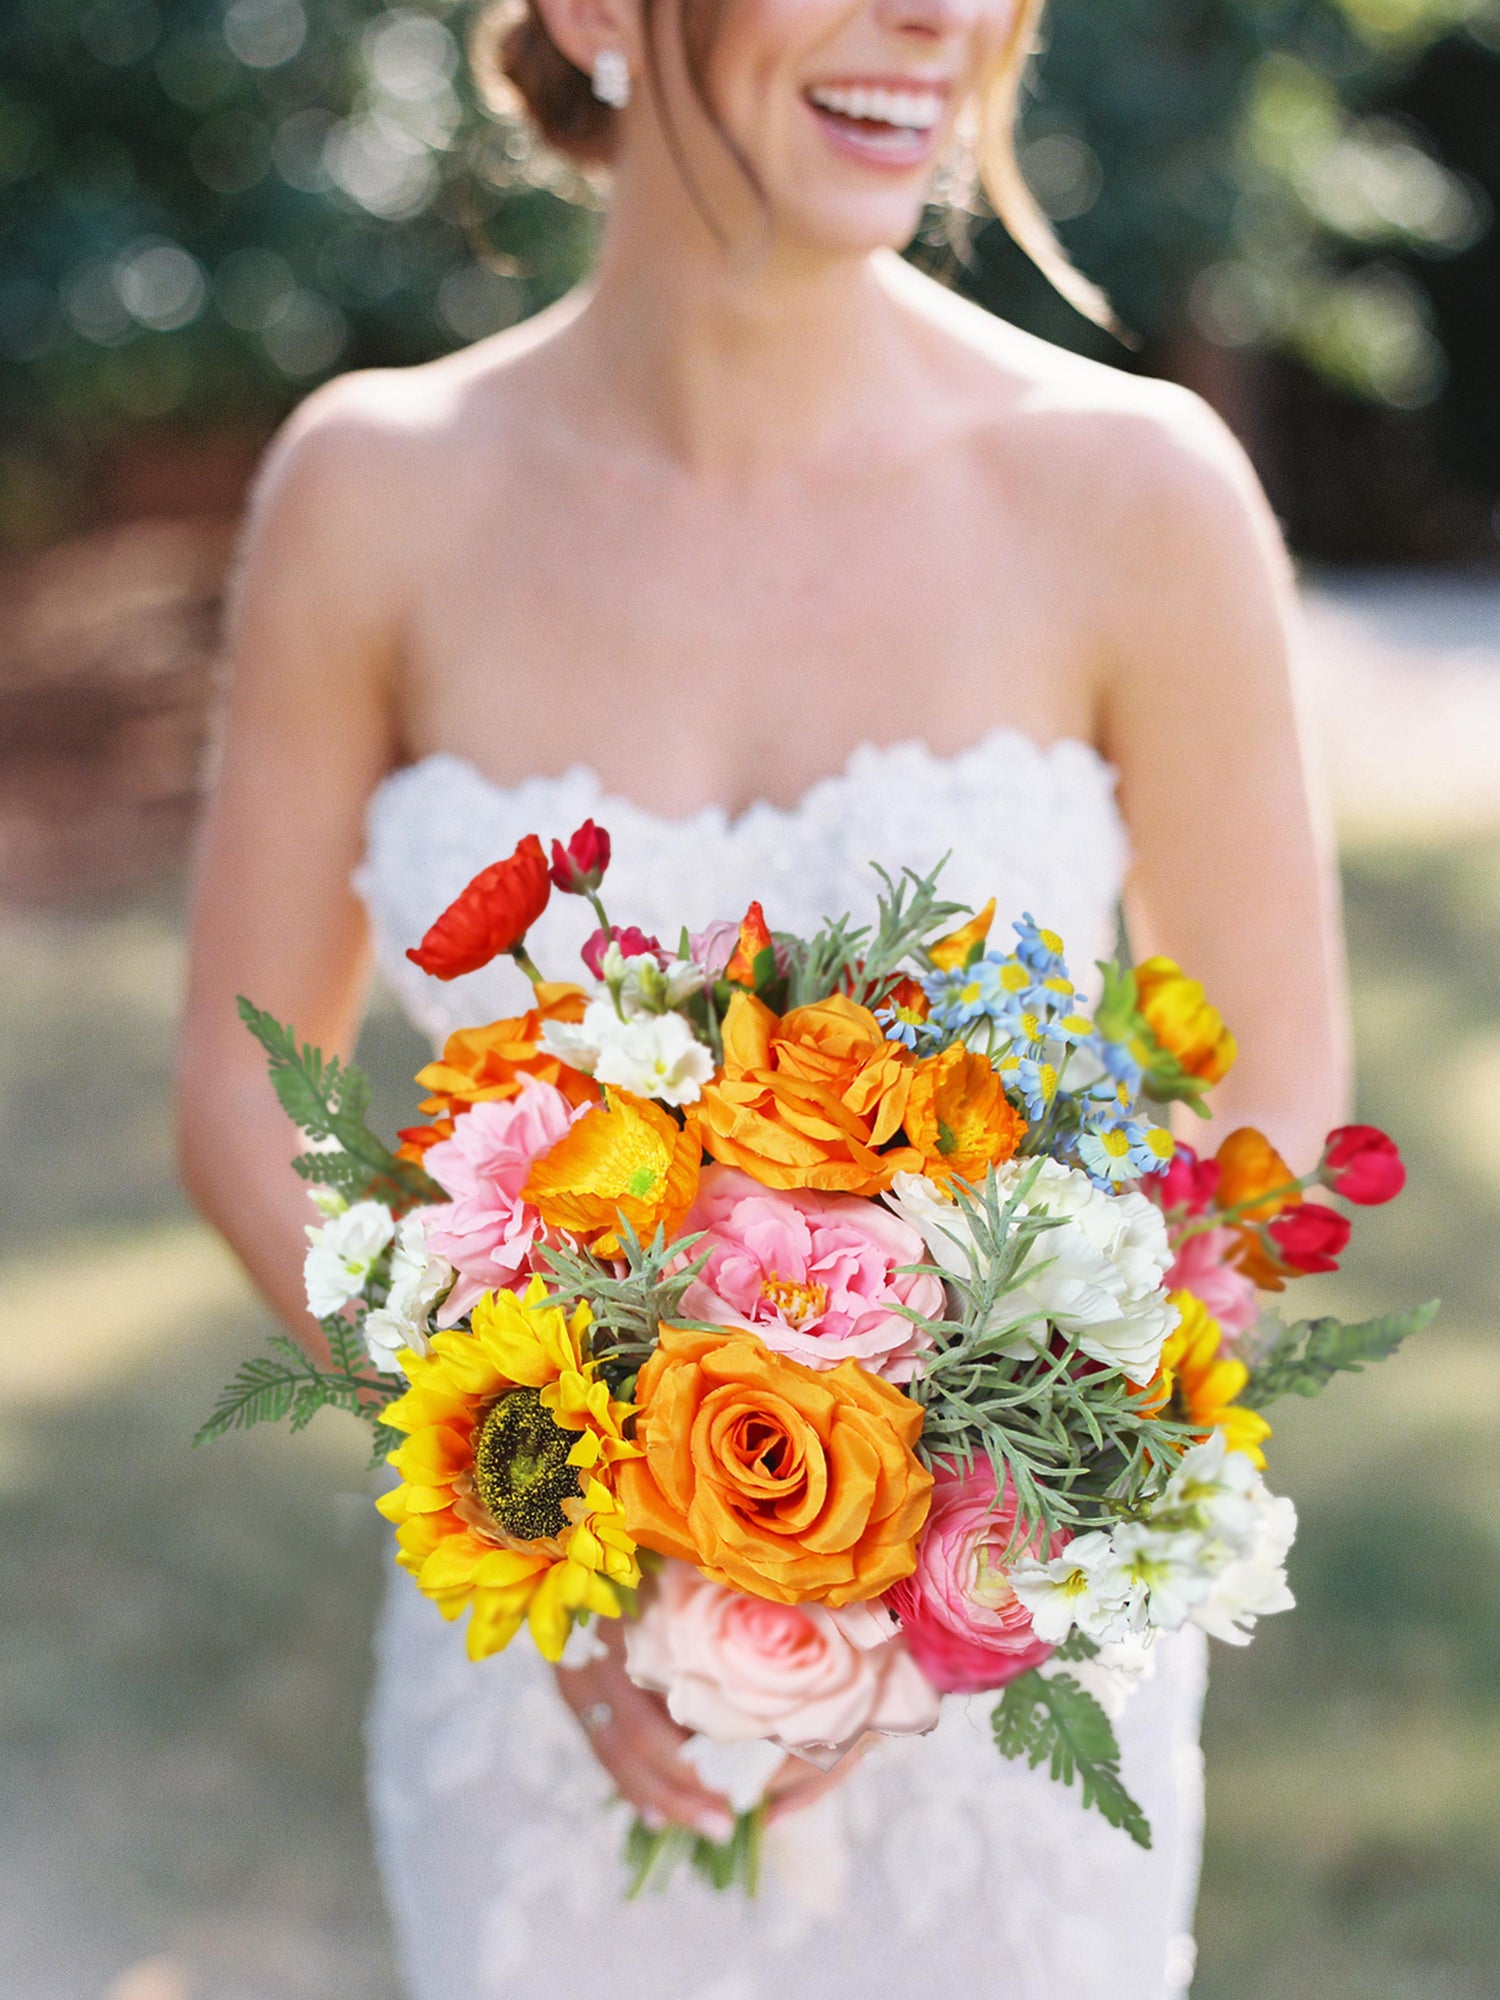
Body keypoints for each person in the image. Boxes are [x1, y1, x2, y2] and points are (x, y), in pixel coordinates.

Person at [177, 0, 1349, 1990]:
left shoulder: (1135, 490)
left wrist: (921, 1558)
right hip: (548, 1692)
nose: (948, 19)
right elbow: (235, 1086)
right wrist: (554, 1527)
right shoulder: (368, 491)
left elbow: (1275, 1116)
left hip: (998, 1672)